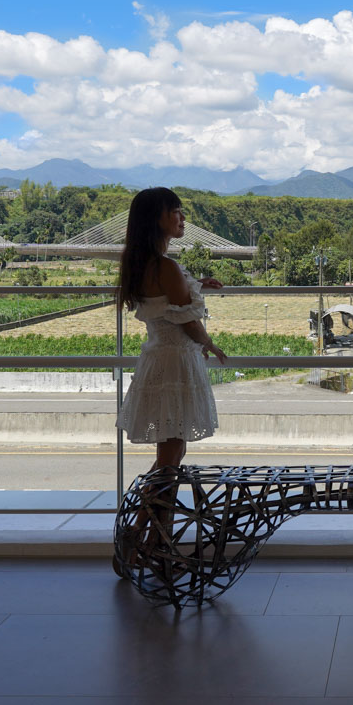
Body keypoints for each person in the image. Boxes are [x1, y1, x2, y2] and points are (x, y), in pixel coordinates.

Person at [114, 187, 227, 534]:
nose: (181, 218)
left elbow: (166, 303)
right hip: (177, 364)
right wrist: (210, 343)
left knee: (171, 457)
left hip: (157, 361)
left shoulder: (142, 264)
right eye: (174, 211)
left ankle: (153, 538)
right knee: (170, 459)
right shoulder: (166, 266)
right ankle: (142, 534)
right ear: (156, 220)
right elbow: (187, 320)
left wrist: (195, 286)